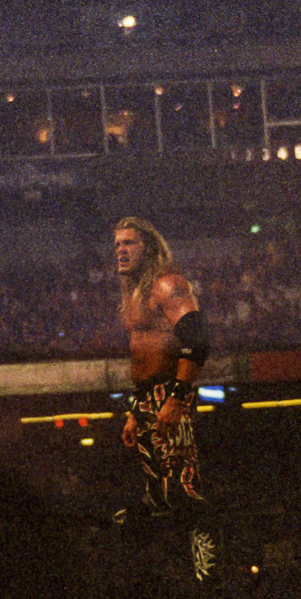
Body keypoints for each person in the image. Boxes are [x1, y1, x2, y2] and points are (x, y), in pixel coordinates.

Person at [114, 216, 210, 518]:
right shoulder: (133, 294)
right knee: (157, 497)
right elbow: (143, 357)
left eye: (129, 243)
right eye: (117, 244)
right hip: (147, 399)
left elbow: (196, 341)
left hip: (170, 392)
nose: (121, 250)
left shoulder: (168, 285)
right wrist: (135, 409)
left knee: (183, 491)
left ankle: (204, 550)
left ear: (149, 247)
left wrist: (177, 398)